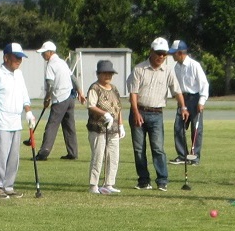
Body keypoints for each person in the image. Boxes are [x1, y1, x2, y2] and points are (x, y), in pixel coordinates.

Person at [127, 37, 188, 191]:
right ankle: (143, 180)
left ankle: (162, 180)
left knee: (158, 148)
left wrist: (183, 108)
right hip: (139, 111)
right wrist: (135, 112)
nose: (161, 57)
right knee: (139, 149)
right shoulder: (139, 69)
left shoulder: (168, 71)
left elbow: (177, 91)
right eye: (159, 53)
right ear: (151, 52)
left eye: (164, 54)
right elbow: (133, 93)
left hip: (156, 114)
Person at [0, 42, 34, 199]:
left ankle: (8, 186)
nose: (19, 60)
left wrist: (28, 113)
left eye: (20, 58)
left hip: (16, 121)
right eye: (16, 57)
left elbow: (24, 96)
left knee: (13, 156)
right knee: (0, 154)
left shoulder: (19, 74)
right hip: (1, 121)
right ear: (6, 57)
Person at [35, 40, 83, 161]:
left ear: (50, 52)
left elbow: (50, 85)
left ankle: (43, 152)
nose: (42, 55)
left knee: (52, 125)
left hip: (60, 98)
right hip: (70, 98)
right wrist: (81, 92)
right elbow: (74, 79)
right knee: (69, 126)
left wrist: (47, 99)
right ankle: (73, 153)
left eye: (43, 53)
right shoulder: (62, 62)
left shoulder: (51, 65)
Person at [168, 40, 209, 164]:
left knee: (196, 129)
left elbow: (204, 84)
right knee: (178, 127)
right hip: (183, 99)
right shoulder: (176, 67)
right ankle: (182, 155)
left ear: (180, 53)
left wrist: (202, 101)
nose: (172, 56)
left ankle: (195, 156)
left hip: (195, 98)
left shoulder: (194, 65)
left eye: (174, 53)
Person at [86, 59, 123, 194]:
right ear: (98, 74)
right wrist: (105, 114)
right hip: (98, 128)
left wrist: (121, 125)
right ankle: (93, 185)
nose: (108, 76)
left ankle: (109, 183)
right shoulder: (94, 88)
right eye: (105, 73)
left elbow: (119, 108)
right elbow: (91, 105)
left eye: (110, 73)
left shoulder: (114, 89)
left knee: (113, 156)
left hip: (113, 129)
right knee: (98, 156)